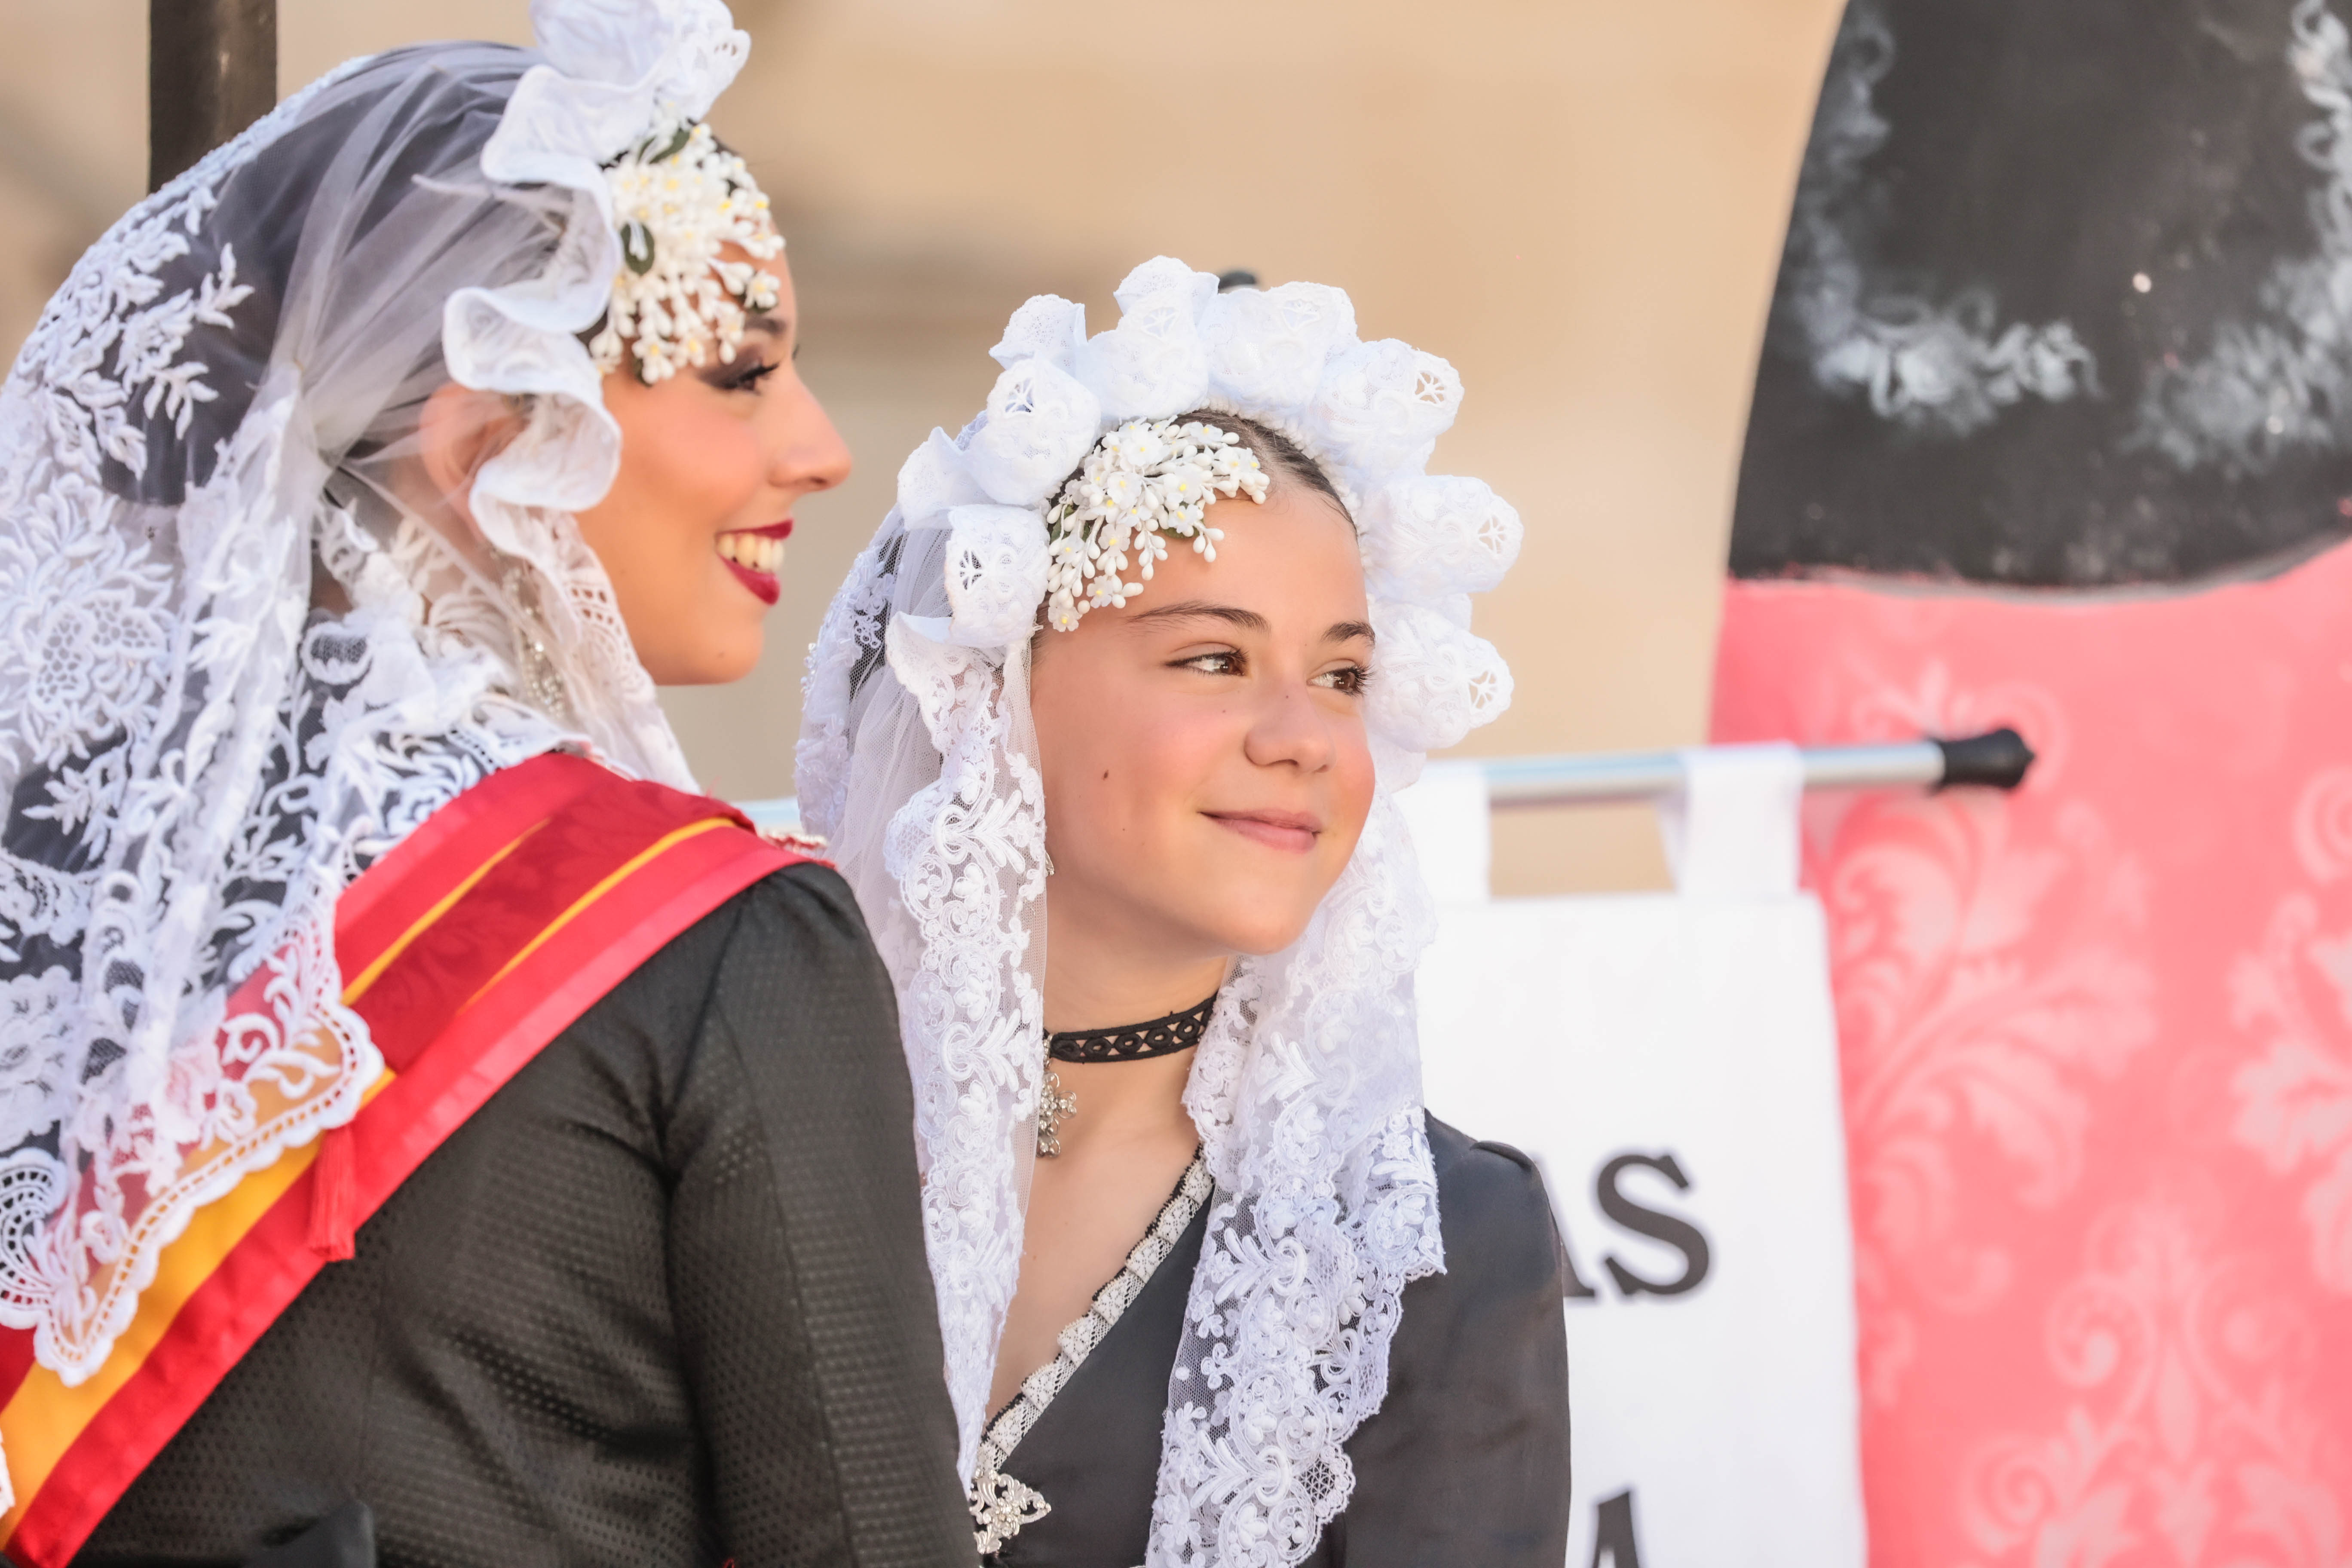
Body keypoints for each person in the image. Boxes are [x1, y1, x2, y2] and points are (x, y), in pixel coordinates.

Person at [0, 5, 973, 1565]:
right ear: (490, 448)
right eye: (742, 375)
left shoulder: (51, 900)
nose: (819, 448)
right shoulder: (719, 950)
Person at [797, 259, 1572, 1566]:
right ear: (997, 692)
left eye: (1343, 676)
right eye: (1215, 657)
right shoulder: (775, 1141)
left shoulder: (1434, 1245)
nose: (1303, 737)